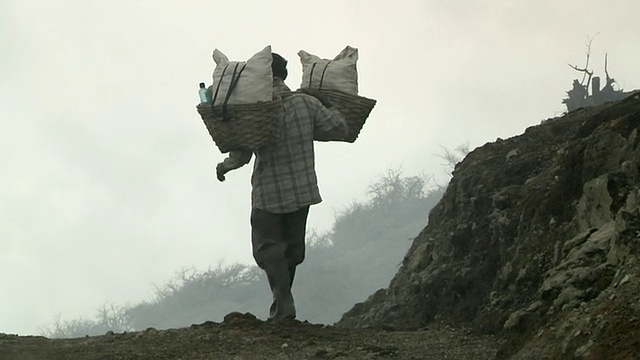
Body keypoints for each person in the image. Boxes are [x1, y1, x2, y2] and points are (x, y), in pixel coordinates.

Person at [215, 52, 348, 321]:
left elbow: (242, 153)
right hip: (302, 190)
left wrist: (225, 166)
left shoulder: (254, 109)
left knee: (269, 249)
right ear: (284, 76)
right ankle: (283, 304)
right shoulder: (306, 103)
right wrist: (328, 103)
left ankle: (283, 301)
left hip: (268, 193)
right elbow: (339, 128)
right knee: (291, 251)